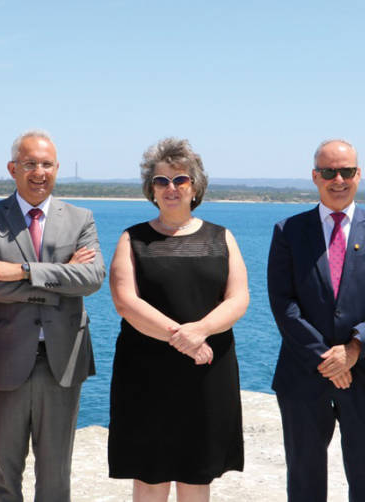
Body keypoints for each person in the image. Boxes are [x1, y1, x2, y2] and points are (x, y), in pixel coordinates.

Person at [108, 137, 249, 502]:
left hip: (206, 372)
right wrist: (182, 337)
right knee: (150, 475)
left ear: (195, 187)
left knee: (196, 473)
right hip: (146, 374)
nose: (171, 188)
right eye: (161, 181)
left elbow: (238, 298)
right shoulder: (132, 238)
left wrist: (200, 331)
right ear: (151, 190)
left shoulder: (222, 237)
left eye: (180, 179)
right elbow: (125, 301)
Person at [267, 139, 365, 501]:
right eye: (329, 172)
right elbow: (283, 304)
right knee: (305, 479)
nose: (338, 179)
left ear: (358, 174)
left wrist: (354, 349)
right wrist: (326, 358)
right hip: (303, 375)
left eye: (346, 171)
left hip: (364, 375)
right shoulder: (288, 231)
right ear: (315, 176)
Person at [0, 130, 105, 502]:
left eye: (46, 164)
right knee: (4, 469)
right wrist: (60, 276)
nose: (38, 172)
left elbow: (92, 278)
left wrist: (23, 272)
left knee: (56, 473)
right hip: (7, 359)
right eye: (30, 164)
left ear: (57, 169)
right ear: (13, 168)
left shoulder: (80, 218)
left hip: (63, 361)